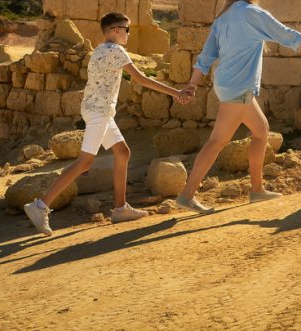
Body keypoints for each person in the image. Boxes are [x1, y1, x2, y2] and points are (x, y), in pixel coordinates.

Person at [174, 0, 301, 213]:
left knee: (261, 131)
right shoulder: (253, 13)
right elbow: (288, 36)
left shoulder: (223, 18)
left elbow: (206, 57)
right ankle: (187, 196)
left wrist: (193, 84)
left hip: (228, 83)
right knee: (217, 141)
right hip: (238, 86)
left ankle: (257, 190)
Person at [24, 12, 184, 236]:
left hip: (97, 111)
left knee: (122, 153)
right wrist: (176, 93)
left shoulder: (99, 50)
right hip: (99, 112)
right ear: (115, 30)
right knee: (84, 163)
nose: (128, 34)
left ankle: (120, 208)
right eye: (127, 29)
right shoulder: (116, 51)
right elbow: (141, 79)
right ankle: (41, 205)